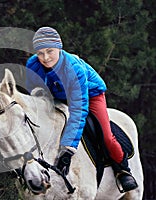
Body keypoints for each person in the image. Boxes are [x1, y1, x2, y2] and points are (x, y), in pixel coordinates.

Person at [25, 26, 138, 192]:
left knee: (105, 135)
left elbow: (78, 111)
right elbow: (35, 96)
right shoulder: (32, 64)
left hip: (90, 95)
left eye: (50, 51)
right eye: (40, 53)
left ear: (59, 48)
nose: (45, 57)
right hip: (57, 97)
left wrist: (68, 149)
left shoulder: (73, 68)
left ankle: (122, 169)